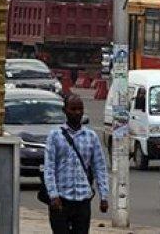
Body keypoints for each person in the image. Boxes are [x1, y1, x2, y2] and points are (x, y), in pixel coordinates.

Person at [43, 94, 109, 234]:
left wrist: (104, 196)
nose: (77, 112)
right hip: (61, 199)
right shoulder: (55, 136)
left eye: (80, 109)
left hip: (83, 199)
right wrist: (53, 195)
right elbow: (49, 168)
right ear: (65, 110)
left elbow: (99, 167)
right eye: (73, 109)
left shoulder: (91, 137)